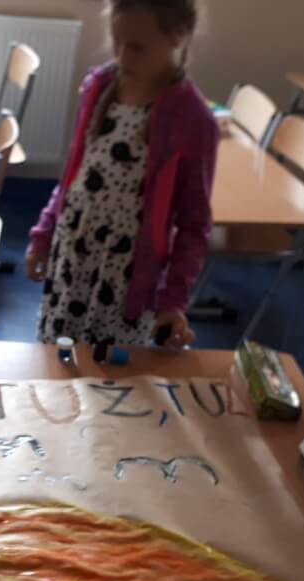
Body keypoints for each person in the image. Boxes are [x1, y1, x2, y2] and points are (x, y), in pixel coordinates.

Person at [25, 0, 217, 351]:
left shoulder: (193, 120)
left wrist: (173, 301)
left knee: (109, 371)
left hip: (125, 280)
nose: (123, 56)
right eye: (117, 42)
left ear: (177, 37)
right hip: (72, 258)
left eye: (138, 47)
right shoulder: (98, 87)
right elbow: (73, 178)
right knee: (56, 358)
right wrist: (44, 233)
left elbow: (194, 226)